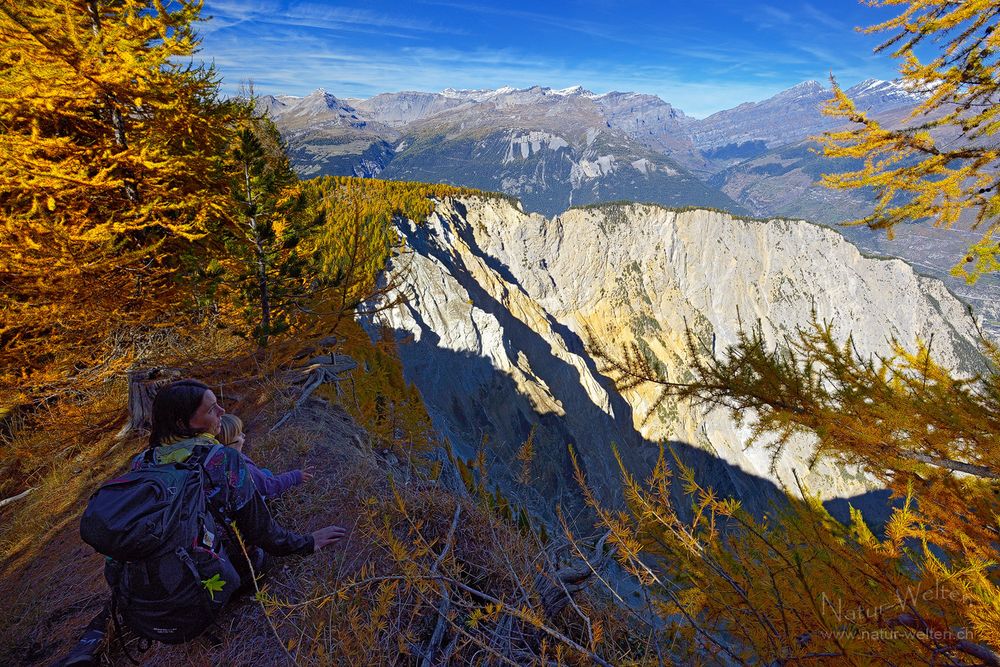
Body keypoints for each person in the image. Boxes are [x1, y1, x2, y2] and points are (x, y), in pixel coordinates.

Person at [61, 379, 344, 665]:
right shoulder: (222, 459)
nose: (222, 410)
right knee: (255, 557)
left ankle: (86, 649)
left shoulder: (143, 462)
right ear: (184, 422)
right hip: (216, 578)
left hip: (157, 585)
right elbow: (262, 532)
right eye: (211, 409)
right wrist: (307, 543)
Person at [218, 413, 312, 500]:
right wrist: (295, 476)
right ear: (229, 442)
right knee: (266, 479)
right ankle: (271, 500)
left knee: (265, 472)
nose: (244, 435)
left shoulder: (218, 459)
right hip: (246, 505)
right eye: (238, 434)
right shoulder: (242, 466)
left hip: (230, 498)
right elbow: (268, 485)